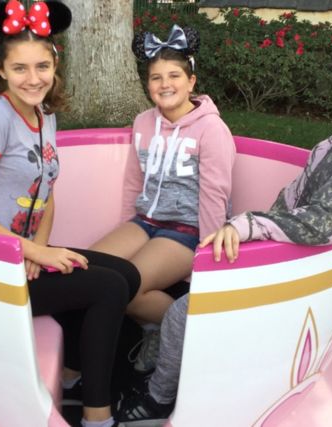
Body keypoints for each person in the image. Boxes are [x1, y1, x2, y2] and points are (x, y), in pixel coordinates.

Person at [115, 53, 332, 426]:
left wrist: (249, 225)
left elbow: (322, 223)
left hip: (295, 267)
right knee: (183, 308)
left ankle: (158, 398)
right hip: (289, 254)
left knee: (182, 314)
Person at [0, 2, 140, 427]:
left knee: (127, 274)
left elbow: (46, 192)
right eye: (20, 68)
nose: (33, 78)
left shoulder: (43, 115)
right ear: (1, 70)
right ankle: (96, 415)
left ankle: (71, 373)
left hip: (23, 256)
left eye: (41, 66)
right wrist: (31, 252)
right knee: (109, 288)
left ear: (55, 64)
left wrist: (39, 249)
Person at [90, 24, 236, 374]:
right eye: (156, 77)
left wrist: (207, 259)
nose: (165, 84)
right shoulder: (143, 122)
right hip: (145, 222)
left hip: (186, 230)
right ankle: (131, 334)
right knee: (91, 272)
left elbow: (215, 194)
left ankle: (172, 331)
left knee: (126, 288)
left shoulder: (211, 129)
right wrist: (126, 228)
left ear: (191, 81)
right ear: (148, 84)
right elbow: (133, 181)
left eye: (174, 76)